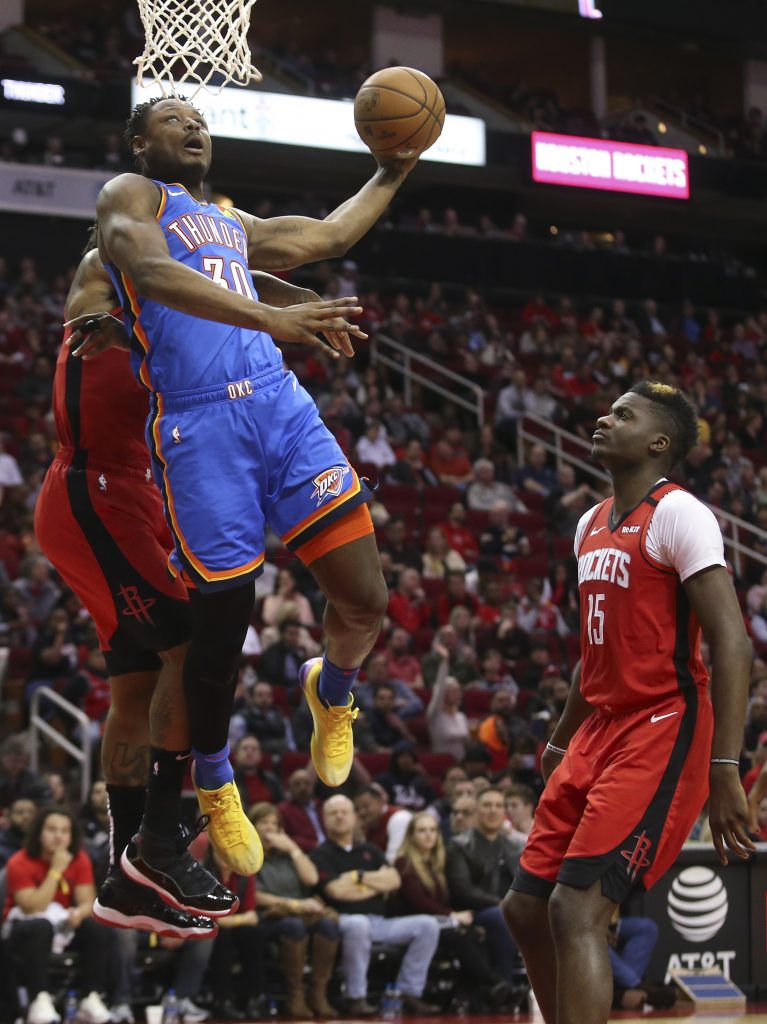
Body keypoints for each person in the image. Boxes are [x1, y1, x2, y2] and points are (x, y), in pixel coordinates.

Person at [71, 97, 420, 809]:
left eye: (199, 119)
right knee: (222, 632)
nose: (193, 126)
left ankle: (334, 690)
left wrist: (392, 168)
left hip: (278, 405)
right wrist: (272, 315)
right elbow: (152, 271)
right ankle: (215, 775)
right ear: (140, 141)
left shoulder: (231, 224)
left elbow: (327, 235)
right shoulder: (131, 197)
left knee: (365, 601)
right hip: (200, 427)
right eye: (173, 118)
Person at [503, 381, 755, 1024]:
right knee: (525, 908)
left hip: (663, 724)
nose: (603, 419)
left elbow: (732, 645)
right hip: (599, 726)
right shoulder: (589, 523)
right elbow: (595, 654)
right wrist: (561, 741)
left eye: (623, 414)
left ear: (658, 442)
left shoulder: (682, 515)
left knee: (577, 909)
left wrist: (726, 767)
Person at [34, 246, 231, 933]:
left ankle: (125, 880)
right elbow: (193, 277)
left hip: (125, 498)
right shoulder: (102, 273)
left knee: (138, 681)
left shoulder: (169, 318)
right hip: (95, 491)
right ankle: (159, 844)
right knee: (190, 650)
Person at [310, 795, 440, 1017]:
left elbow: (394, 880)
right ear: (324, 819)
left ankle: (408, 993)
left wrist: (356, 877)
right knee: (359, 924)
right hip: (343, 920)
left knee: (428, 925)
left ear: (354, 817)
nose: (340, 816)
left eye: (345, 812)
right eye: (334, 813)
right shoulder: (319, 854)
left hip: (379, 922)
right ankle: (356, 997)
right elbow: (335, 891)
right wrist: (374, 883)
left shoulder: (370, 850)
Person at [393, 813, 521, 1012]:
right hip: (414, 922)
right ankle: (497, 984)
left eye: (432, 830)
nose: (428, 835)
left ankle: (484, 994)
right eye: (422, 831)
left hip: (438, 921)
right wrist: (452, 914)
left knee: (476, 934)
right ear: (411, 836)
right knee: (462, 935)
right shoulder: (404, 863)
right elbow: (418, 902)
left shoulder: (438, 862)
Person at [3, 807, 119, 1024]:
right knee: (40, 927)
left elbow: (88, 901)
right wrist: (56, 870)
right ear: (39, 832)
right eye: (52, 829)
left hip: (59, 926)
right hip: (21, 931)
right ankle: (38, 999)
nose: (59, 836)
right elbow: (32, 907)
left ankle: (90, 997)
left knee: (97, 927)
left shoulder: (79, 858)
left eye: (65, 831)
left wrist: (78, 912)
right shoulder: (19, 861)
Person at [251, 803, 341, 1018]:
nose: (270, 828)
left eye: (275, 824)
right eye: (264, 823)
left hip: (301, 913)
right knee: (293, 926)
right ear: (252, 826)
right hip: (270, 916)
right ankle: (295, 995)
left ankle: (318, 994)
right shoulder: (250, 856)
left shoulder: (288, 855)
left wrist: (293, 849)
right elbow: (254, 895)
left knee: (328, 924)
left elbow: (311, 878)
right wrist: (293, 904)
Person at [446, 788, 524, 987]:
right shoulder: (459, 845)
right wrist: (502, 903)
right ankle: (505, 984)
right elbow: (462, 889)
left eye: (499, 806)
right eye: (487, 805)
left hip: (510, 910)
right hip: (476, 912)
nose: (493, 811)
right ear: (476, 811)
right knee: (501, 917)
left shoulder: (514, 846)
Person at [354, 784, 413, 863]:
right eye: (358, 809)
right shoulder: (365, 825)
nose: (361, 812)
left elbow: (393, 860)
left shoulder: (399, 818)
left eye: (366, 807)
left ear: (381, 801)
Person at [277, 768, 325, 852]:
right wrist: (313, 844)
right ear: (289, 788)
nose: (302, 787)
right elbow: (284, 837)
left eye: (306, 783)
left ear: (312, 786)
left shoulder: (322, 805)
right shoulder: (283, 810)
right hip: (305, 853)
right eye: (297, 784)